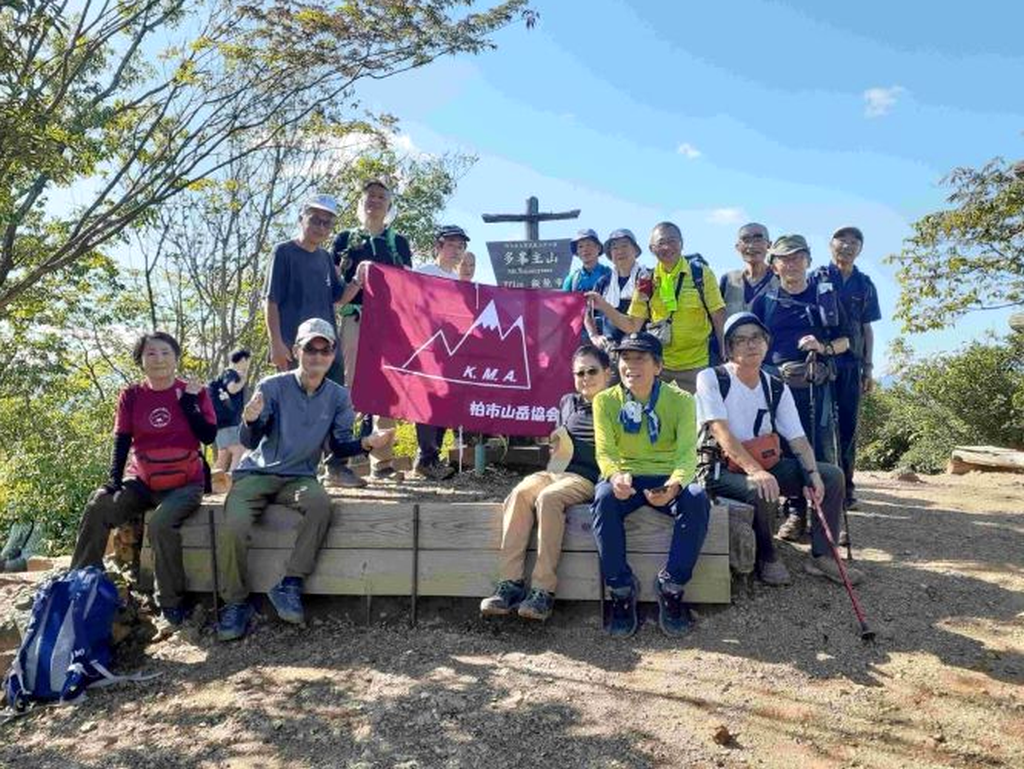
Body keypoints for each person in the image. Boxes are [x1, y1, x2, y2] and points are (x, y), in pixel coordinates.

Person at [216, 318, 395, 641]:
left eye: (324, 348)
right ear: (297, 350)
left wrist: (366, 444)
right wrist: (250, 419)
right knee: (234, 523)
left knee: (320, 504)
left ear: (333, 354)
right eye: (310, 348)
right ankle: (235, 602)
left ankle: (291, 584)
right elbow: (252, 439)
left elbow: (337, 446)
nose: (317, 355)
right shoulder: (272, 386)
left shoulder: (339, 397)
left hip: (300, 477)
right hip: (257, 473)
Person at [697, 313, 864, 586]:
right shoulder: (711, 378)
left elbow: (797, 439)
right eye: (740, 340)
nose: (750, 345)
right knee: (763, 486)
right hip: (720, 467)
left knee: (832, 476)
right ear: (728, 348)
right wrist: (756, 471)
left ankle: (823, 556)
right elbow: (720, 431)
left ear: (766, 343)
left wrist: (813, 475)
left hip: (766, 463)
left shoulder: (775, 386)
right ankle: (768, 555)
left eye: (756, 338)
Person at [70, 332, 217, 625]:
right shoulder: (132, 396)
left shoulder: (194, 392)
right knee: (100, 503)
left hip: (185, 482)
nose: (159, 359)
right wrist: (113, 480)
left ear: (176, 357)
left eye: (165, 352)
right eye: (151, 353)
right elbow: (122, 439)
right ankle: (81, 582)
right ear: (141, 360)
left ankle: (172, 603)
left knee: (161, 523)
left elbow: (208, 436)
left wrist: (188, 403)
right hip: (143, 480)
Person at [480, 345, 612, 621]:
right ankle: (510, 584)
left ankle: (543, 591)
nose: (585, 377)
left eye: (592, 371)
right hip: (555, 471)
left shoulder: (618, 403)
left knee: (548, 498)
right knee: (519, 493)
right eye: (579, 373)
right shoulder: (567, 402)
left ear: (607, 373)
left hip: (586, 478)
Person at [591, 332, 710, 637]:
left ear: (658, 366)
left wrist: (675, 484)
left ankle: (672, 585)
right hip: (626, 476)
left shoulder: (682, 401)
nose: (630, 365)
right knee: (604, 498)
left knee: (696, 497)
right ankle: (620, 588)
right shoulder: (605, 401)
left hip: (666, 476)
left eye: (640, 358)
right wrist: (615, 476)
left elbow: (687, 455)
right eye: (624, 358)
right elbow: (605, 452)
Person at [751, 234, 852, 541]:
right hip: (776, 388)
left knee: (821, 450)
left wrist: (822, 347)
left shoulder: (826, 300)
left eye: (797, 257)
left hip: (814, 386)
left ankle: (827, 522)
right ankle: (796, 514)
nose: (791, 264)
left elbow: (846, 341)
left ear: (808, 259)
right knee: (782, 450)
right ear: (774, 266)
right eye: (784, 259)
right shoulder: (763, 303)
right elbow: (747, 342)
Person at [265, 193, 362, 489]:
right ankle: (287, 468)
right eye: (316, 219)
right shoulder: (283, 252)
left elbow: (339, 297)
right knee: (292, 407)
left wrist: (359, 279)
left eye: (327, 222)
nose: (321, 226)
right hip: (295, 347)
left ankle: (336, 466)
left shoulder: (324, 258)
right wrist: (276, 343)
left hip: (327, 345)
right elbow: (270, 301)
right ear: (302, 218)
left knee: (337, 402)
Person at [333, 180, 412, 483]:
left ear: (389, 206)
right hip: (354, 319)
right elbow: (335, 285)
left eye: (382, 197)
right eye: (370, 196)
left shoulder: (399, 243)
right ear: (361, 202)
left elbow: (407, 286)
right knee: (348, 388)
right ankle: (338, 458)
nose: (375, 201)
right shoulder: (344, 239)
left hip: (388, 325)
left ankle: (382, 462)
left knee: (385, 390)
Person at [592, 222, 726, 393]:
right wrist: (602, 305)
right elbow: (632, 325)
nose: (667, 247)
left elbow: (718, 314)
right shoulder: (647, 279)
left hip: (698, 367)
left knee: (697, 419)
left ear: (682, 243)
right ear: (651, 248)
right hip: (660, 369)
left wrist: (724, 350)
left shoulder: (701, 274)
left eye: (672, 241)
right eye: (661, 243)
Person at [821, 226, 881, 509]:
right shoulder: (817, 278)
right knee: (818, 426)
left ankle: (847, 488)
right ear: (830, 244)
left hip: (851, 365)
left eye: (853, 241)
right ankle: (816, 487)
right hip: (819, 364)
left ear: (860, 248)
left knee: (847, 427)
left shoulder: (865, 284)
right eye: (841, 240)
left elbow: (867, 328)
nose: (846, 245)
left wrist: (868, 368)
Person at [411, 225, 471, 481]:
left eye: (461, 246)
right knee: (427, 403)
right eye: (451, 245)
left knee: (445, 405)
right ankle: (426, 458)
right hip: (426, 348)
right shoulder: (423, 273)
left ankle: (429, 458)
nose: (456, 250)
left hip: (451, 352)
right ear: (438, 246)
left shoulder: (459, 281)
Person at [584, 228, 648, 352]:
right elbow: (588, 313)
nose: (619, 251)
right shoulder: (603, 282)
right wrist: (594, 336)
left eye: (624, 245)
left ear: (635, 250)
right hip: (610, 350)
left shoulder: (646, 278)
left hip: (640, 349)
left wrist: (604, 305)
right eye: (614, 248)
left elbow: (633, 326)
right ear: (610, 255)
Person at [719, 223, 778, 317]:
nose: (751, 246)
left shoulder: (780, 279)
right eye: (745, 240)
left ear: (769, 245)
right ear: (737, 247)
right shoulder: (728, 281)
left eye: (758, 240)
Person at [209, 348, 252, 474]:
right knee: (239, 450)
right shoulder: (231, 373)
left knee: (224, 455)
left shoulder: (222, 375)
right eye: (248, 360)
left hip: (220, 421)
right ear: (243, 359)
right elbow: (232, 389)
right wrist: (243, 380)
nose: (248, 364)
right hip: (229, 421)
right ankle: (232, 480)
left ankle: (212, 483)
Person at [561, 229, 611, 293]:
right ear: (577, 252)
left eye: (588, 245)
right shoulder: (571, 279)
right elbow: (564, 301)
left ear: (598, 248)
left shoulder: (609, 274)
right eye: (580, 246)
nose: (585, 249)